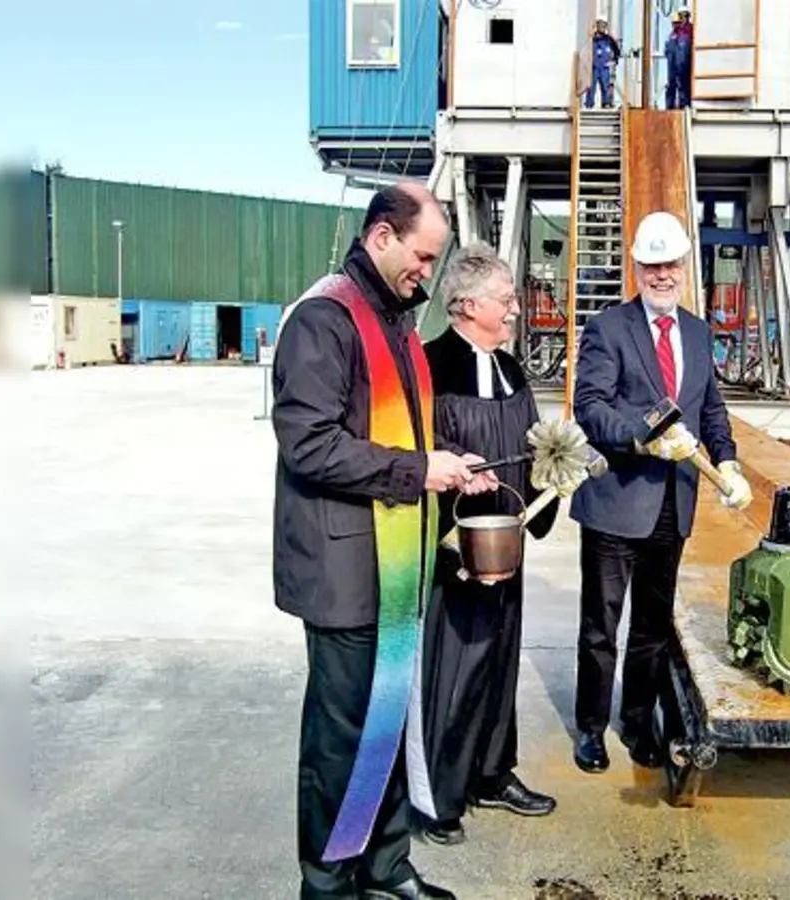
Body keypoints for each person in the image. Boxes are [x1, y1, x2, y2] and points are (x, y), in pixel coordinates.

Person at [272, 181, 497, 900]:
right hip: (344, 571)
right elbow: (309, 444)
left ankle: (384, 865)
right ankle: (327, 883)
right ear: (381, 237)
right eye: (423, 257)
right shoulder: (325, 319)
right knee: (341, 739)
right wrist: (418, 470)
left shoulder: (393, 320)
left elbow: (405, 435)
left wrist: (449, 467)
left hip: (395, 561)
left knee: (389, 724)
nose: (428, 273)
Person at [566, 211, 752, 774]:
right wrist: (645, 439)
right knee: (601, 626)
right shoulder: (608, 329)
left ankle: (637, 720)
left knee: (652, 623)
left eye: (670, 264)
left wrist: (728, 461)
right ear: (637, 269)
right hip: (615, 501)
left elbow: (710, 408)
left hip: (674, 503)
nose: (662, 275)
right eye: (652, 265)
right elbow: (590, 407)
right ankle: (591, 728)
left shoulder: (696, 332)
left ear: (684, 267)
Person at [409, 243, 582, 845]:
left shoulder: (510, 370)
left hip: (507, 544)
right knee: (455, 665)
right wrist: (453, 466)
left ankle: (490, 772)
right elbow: (414, 450)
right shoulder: (429, 366)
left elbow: (530, 445)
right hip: (455, 549)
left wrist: (557, 471)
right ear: (466, 305)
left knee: (501, 658)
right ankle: (440, 795)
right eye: (505, 300)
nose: (514, 310)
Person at [583, 17, 621, 109]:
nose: (602, 28)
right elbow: (585, 50)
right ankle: (589, 103)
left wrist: (614, 61)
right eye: (600, 26)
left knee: (605, 85)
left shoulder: (609, 39)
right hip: (594, 66)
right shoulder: (592, 39)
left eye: (603, 26)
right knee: (591, 86)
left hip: (605, 67)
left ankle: (606, 103)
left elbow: (617, 51)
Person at [664, 7, 693, 110]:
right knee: (671, 83)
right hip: (673, 63)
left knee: (683, 84)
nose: (683, 18)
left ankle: (684, 104)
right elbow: (668, 50)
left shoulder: (689, 31)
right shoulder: (674, 33)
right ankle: (670, 106)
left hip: (684, 63)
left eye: (684, 15)